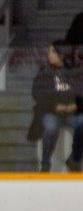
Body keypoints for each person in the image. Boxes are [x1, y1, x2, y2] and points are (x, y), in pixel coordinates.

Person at [29, 41, 83, 171]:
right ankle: (45, 164)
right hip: (52, 112)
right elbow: (38, 94)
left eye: (53, 52)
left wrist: (75, 105)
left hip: (72, 112)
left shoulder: (76, 73)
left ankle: (73, 159)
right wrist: (55, 106)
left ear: (62, 54)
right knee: (51, 126)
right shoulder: (44, 72)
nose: (49, 54)